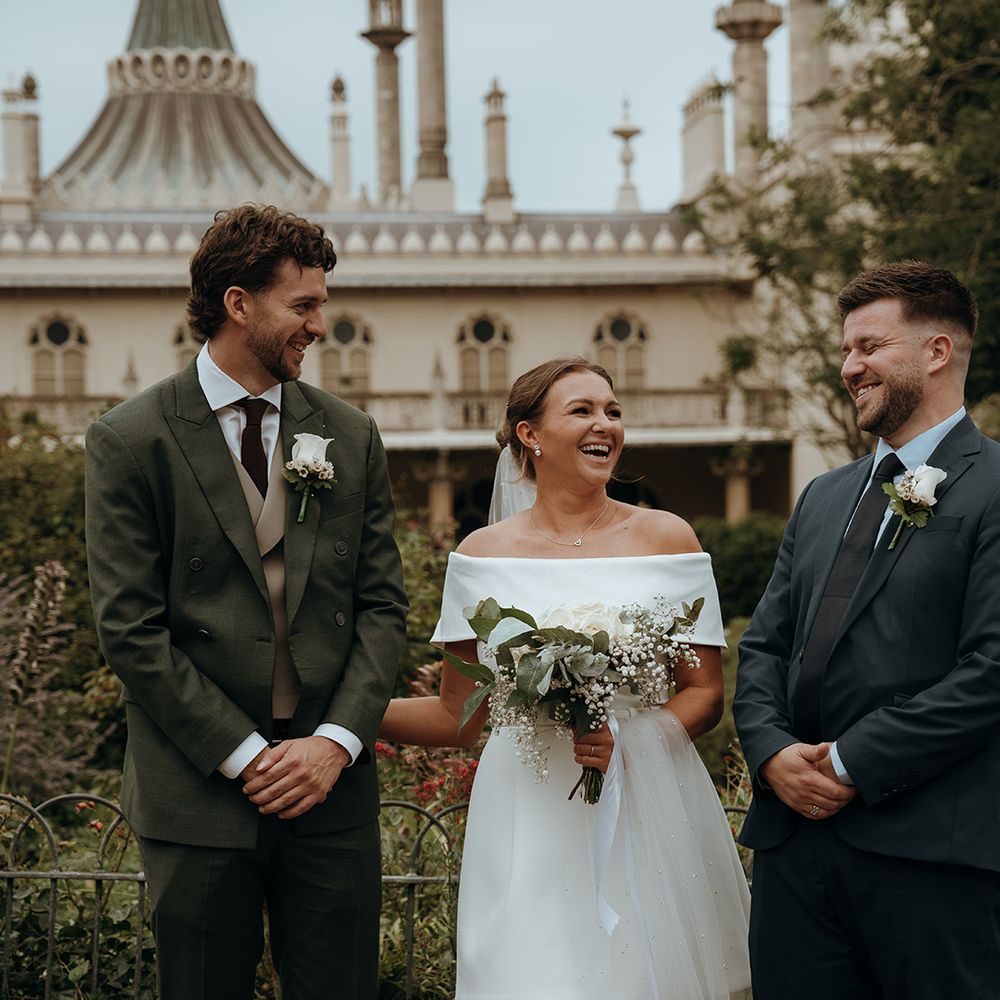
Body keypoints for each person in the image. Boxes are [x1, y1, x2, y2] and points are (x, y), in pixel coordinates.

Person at [85, 204, 407, 1000]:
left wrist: (333, 744)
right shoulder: (131, 439)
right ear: (238, 303)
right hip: (198, 793)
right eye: (303, 306)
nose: (321, 325)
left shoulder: (348, 434)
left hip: (331, 793)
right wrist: (246, 754)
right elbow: (130, 630)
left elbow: (382, 607)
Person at [381, 358, 752, 1000]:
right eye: (581, 410)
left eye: (612, 411)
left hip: (639, 799)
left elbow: (704, 694)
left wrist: (631, 740)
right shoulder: (479, 556)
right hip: (523, 809)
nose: (604, 424)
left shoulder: (667, 538)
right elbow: (456, 717)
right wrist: (337, 714)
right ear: (530, 434)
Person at [734, 261, 1000, 999]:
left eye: (870, 347)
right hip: (793, 854)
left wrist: (851, 762)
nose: (850, 367)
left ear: (936, 352)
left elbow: (992, 672)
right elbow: (763, 647)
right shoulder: (823, 495)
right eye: (847, 350)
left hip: (928, 856)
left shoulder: (994, 488)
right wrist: (773, 751)